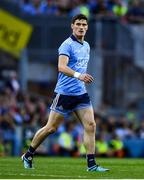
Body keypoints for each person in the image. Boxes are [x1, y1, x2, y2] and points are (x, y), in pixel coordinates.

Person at [22, 14, 109, 172]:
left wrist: (81, 79)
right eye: (78, 24)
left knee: (91, 125)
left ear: (87, 27)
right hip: (64, 94)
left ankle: (91, 165)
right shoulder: (66, 45)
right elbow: (61, 67)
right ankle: (28, 154)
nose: (81, 27)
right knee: (51, 128)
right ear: (72, 26)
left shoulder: (87, 45)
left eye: (84, 24)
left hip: (80, 93)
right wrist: (79, 75)